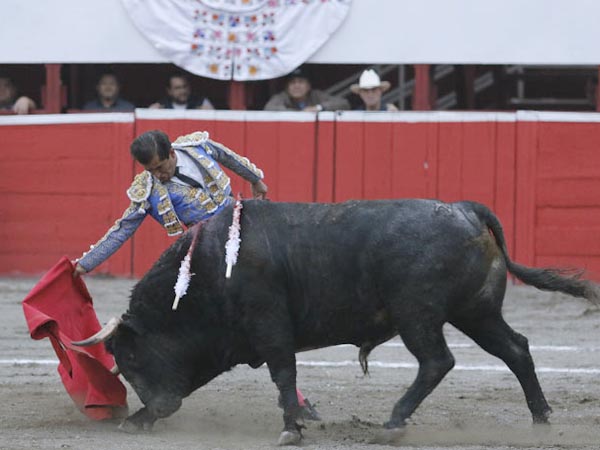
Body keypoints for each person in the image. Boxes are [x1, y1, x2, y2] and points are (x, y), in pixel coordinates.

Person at [73, 129, 321, 421]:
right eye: (150, 170)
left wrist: (255, 178)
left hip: (247, 232)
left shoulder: (197, 149)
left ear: (170, 154)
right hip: (208, 258)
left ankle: (293, 398)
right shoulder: (147, 189)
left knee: (266, 317)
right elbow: (123, 228)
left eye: (161, 167)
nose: (158, 175)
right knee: (252, 323)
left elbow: (229, 157)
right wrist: (85, 264)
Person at [264, 67, 350, 112]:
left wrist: (319, 108)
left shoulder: (316, 94)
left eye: (301, 82)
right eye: (292, 83)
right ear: (287, 87)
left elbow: (343, 103)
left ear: (309, 86)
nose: (296, 86)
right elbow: (269, 108)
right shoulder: (282, 96)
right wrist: (298, 113)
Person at [149, 73, 214, 110]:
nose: (183, 91)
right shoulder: (161, 105)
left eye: (184, 86)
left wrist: (208, 112)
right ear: (169, 91)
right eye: (177, 88)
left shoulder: (202, 102)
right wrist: (152, 112)